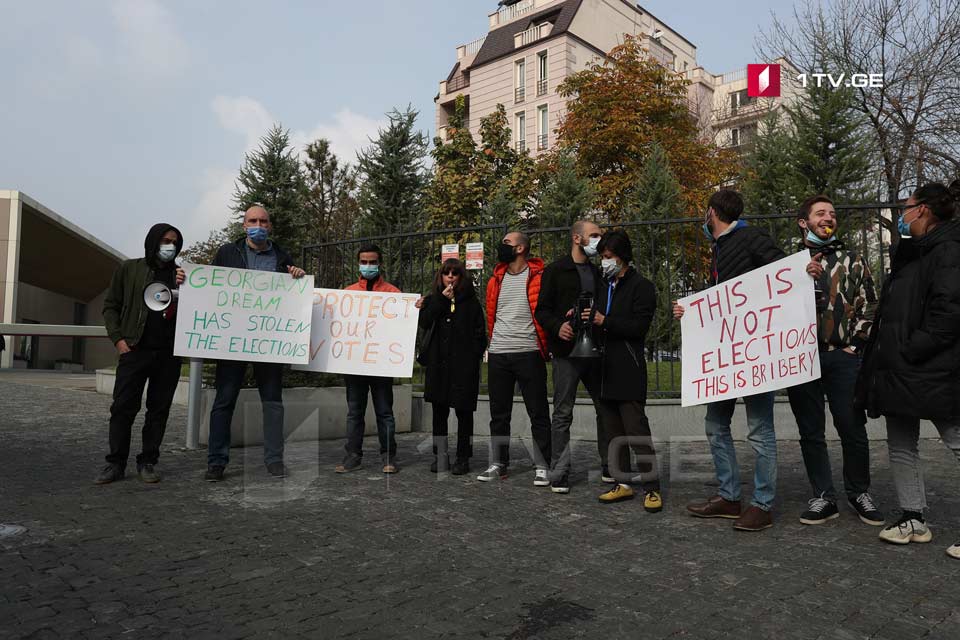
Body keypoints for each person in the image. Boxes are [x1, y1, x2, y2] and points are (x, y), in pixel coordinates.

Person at [855, 180, 960, 559]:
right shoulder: (912, 252)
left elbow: (949, 314)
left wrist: (912, 349)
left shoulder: (948, 249)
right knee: (901, 444)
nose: (902, 214)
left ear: (924, 211)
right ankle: (912, 517)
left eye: (907, 207)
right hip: (899, 369)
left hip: (929, 368)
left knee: (955, 438)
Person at [673, 189, 785, 531]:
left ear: (711, 213)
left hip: (754, 352)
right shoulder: (719, 248)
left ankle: (762, 504)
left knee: (759, 429)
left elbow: (782, 273)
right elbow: (720, 297)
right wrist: (689, 310)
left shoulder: (750, 237)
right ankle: (729, 497)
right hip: (726, 355)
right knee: (715, 425)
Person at [786, 195, 884, 526]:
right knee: (810, 431)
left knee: (852, 428)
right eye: (820, 213)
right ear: (804, 222)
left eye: (832, 213)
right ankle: (823, 496)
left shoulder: (853, 260)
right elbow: (767, 307)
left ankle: (859, 492)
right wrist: (799, 277)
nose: (828, 218)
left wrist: (855, 345)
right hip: (801, 359)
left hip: (842, 357)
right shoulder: (787, 265)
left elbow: (870, 303)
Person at [204, 206, 307, 482]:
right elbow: (210, 288)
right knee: (224, 401)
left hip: (268, 342)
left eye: (263, 221)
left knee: (273, 403)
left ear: (270, 226)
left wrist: (296, 275)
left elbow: (292, 297)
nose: (258, 225)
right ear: (243, 225)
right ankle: (216, 462)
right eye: (253, 221)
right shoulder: (227, 253)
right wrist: (187, 281)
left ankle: (274, 460)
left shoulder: (282, 256)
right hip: (232, 342)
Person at [96, 224, 185, 484]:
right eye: (165, 241)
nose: (170, 246)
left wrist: (188, 287)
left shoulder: (184, 275)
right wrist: (119, 340)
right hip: (135, 349)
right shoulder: (129, 269)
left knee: (158, 410)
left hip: (169, 354)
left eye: (174, 243)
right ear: (153, 241)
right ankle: (115, 464)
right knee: (123, 408)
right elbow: (111, 305)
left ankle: (148, 461)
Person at [585, 230, 662, 512]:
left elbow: (638, 328)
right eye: (603, 257)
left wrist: (605, 321)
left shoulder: (641, 286)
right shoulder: (604, 285)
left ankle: (652, 487)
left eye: (608, 257)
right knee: (613, 432)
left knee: (635, 430)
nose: (605, 262)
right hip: (603, 368)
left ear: (622, 256)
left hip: (627, 367)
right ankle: (622, 482)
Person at [535, 220, 608, 494]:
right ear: (577, 239)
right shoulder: (555, 270)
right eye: (594, 235)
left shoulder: (598, 272)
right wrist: (558, 326)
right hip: (567, 353)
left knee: (605, 409)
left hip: (594, 351)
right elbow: (542, 310)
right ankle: (560, 471)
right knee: (563, 413)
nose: (598, 240)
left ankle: (609, 467)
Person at [478, 231, 552, 484]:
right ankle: (499, 463)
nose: (502, 246)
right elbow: (492, 314)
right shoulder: (494, 279)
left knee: (538, 411)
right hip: (499, 352)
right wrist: (492, 344)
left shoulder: (540, 277)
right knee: (499, 413)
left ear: (520, 248)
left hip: (529, 351)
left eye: (507, 243)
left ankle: (543, 464)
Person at [415, 259, 487, 475]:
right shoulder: (432, 300)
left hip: (463, 367)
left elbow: (479, 334)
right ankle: (440, 455)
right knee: (439, 413)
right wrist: (439, 300)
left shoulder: (471, 302)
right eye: (447, 273)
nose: (451, 277)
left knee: (464, 414)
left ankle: (463, 457)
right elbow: (425, 322)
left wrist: (473, 355)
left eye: (455, 273)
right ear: (441, 276)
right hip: (439, 366)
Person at [335, 244, 402, 475]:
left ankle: (388, 457)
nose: (368, 266)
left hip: (382, 364)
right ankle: (353, 456)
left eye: (372, 262)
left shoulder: (394, 294)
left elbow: (402, 326)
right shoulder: (348, 292)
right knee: (355, 412)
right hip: (355, 365)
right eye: (364, 261)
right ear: (358, 263)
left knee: (385, 412)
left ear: (380, 263)